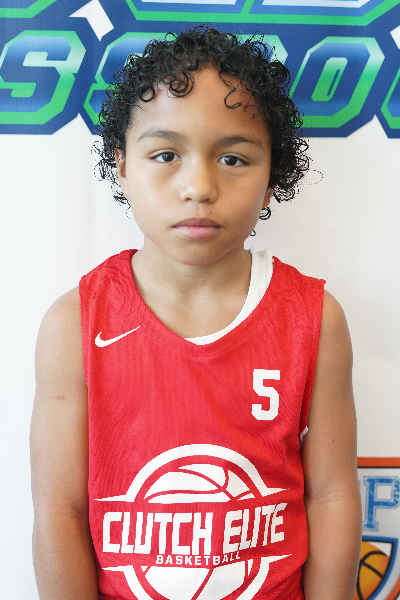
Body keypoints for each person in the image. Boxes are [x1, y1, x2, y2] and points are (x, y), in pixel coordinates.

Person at [30, 26, 362, 600]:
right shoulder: (74, 323)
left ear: (271, 177)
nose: (199, 187)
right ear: (122, 164)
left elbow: (332, 496)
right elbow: (60, 511)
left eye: (233, 158)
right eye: (165, 154)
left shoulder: (315, 319)